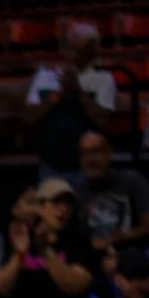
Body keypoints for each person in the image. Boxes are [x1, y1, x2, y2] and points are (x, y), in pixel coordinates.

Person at [28, 22, 115, 181]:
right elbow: (32, 116)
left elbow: (101, 120)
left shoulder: (103, 80)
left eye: (82, 50)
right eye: (72, 48)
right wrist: (58, 94)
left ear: (92, 52)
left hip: (87, 166)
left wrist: (79, 91)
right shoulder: (45, 76)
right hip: (51, 164)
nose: (75, 55)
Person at [73, 131, 149, 256]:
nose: (90, 159)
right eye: (84, 154)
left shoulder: (132, 180)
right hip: (90, 258)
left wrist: (117, 238)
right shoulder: (75, 189)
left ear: (109, 153)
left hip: (129, 255)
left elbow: (147, 225)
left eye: (95, 152)